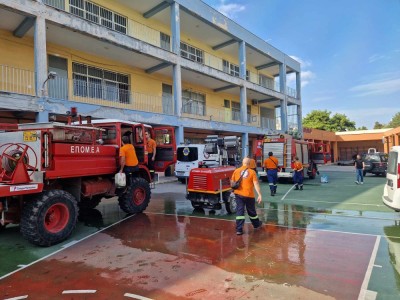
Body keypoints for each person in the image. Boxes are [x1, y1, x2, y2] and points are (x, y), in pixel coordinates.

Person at [231, 157, 263, 236]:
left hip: (238, 194)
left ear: (242, 163)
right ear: (249, 164)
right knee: (251, 211)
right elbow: (256, 184)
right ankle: (256, 224)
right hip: (249, 195)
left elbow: (232, 182)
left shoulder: (236, 171)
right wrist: (259, 194)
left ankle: (239, 229)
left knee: (240, 211)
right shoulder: (252, 172)